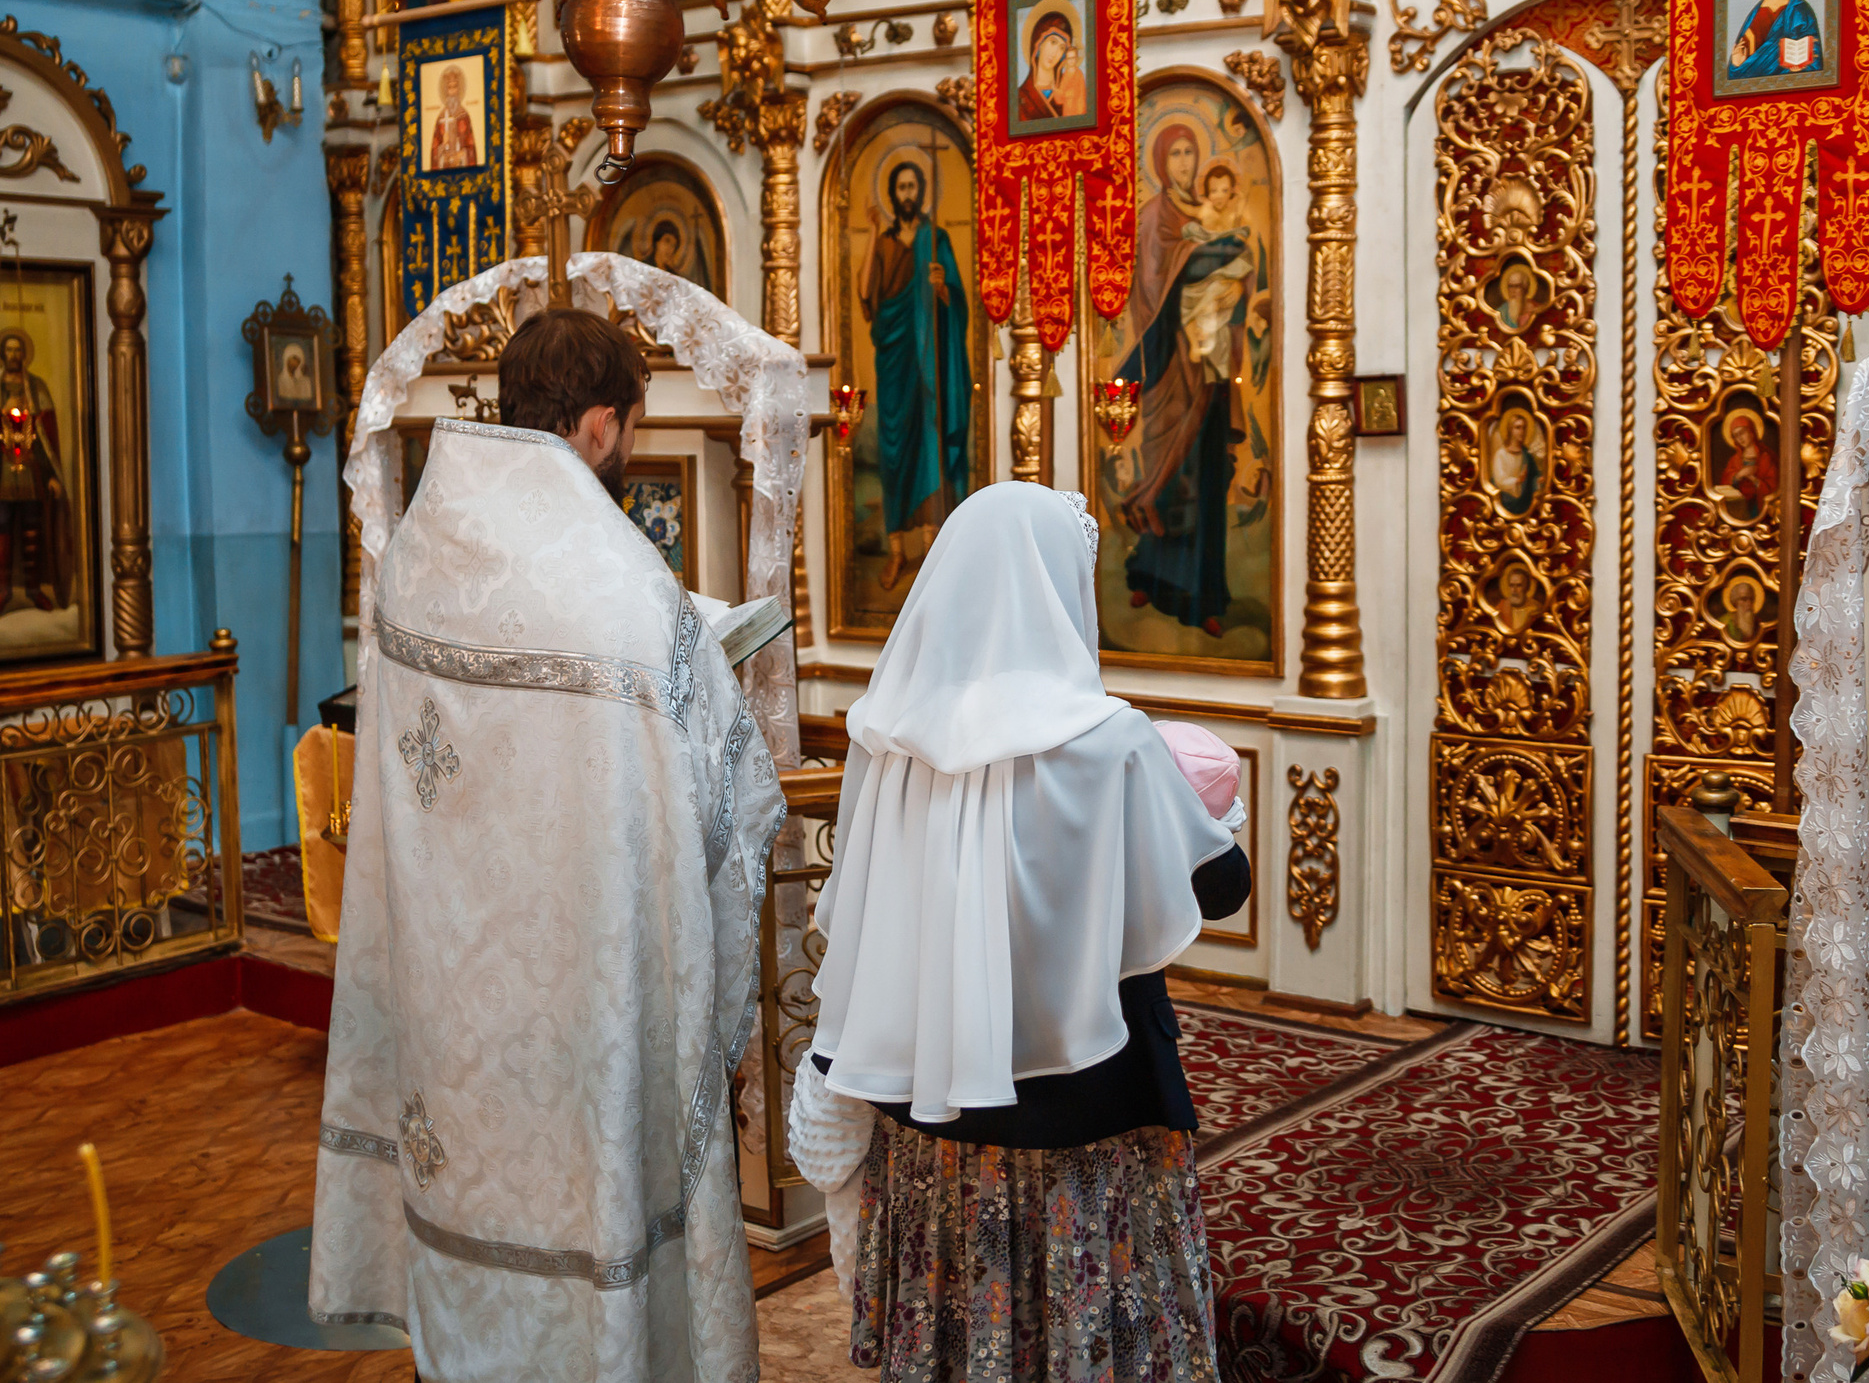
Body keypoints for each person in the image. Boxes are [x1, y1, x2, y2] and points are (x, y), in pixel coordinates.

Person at [310, 304, 784, 1383]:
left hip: (454, 1012)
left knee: (470, 1208)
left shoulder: (415, 559)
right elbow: (729, 799)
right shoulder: (626, 590)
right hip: (581, 1008)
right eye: (630, 428)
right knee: (589, 1197)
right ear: (601, 424)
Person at [794, 482, 1247, 1383]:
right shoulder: (1114, 742)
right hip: (1091, 1110)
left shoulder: (887, 740)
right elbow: (1220, 886)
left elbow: (860, 902)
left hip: (932, 1109)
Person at [1119, 126, 1268, 637]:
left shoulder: (1208, 215)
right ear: (1161, 162)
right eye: (1175, 154)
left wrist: (1227, 273)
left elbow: (1242, 275)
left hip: (1209, 366)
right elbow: (1149, 288)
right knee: (1164, 467)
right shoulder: (1153, 217)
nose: (1183, 162)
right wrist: (1206, 257)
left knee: (1203, 477)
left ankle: (1204, 598)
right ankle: (1150, 576)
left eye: (1190, 152)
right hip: (1168, 365)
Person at [857, 160, 971, 591]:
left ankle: (930, 549)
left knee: (929, 445)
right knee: (894, 451)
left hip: (928, 363)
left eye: (912, 186)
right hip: (894, 361)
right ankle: (897, 552)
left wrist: (942, 288)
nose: (906, 193)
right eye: (900, 187)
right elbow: (866, 293)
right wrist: (872, 232)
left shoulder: (936, 239)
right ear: (892, 194)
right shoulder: (885, 242)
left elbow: (957, 304)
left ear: (920, 192)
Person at [0, 331, 73, 620]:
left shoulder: (37, 387)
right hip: (1, 472)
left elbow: (46, 438)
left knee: (32, 528)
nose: (13, 355)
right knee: (1, 530)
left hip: (31, 473)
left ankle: (34, 590)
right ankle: (3, 592)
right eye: (9, 350)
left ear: (24, 354)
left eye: (18, 350)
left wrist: (51, 476)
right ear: (2, 354)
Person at [1016, 10, 1088, 123]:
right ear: (1039, 44)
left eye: (1062, 48)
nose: (1055, 53)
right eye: (1053, 42)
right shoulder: (1021, 96)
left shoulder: (1070, 85)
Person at [1715, 408, 1777, 521]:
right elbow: (1724, 482)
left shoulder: (1765, 457)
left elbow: (1773, 486)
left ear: (1751, 431)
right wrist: (1739, 475)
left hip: (1759, 507)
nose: (1740, 438)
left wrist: (1753, 479)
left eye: (1742, 432)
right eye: (1735, 435)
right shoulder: (1735, 459)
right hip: (1738, 506)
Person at [1487, 407, 1541, 516]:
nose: (1522, 432)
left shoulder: (1527, 455)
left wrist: (1539, 480)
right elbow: (1499, 481)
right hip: (1505, 501)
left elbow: (1534, 476)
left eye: (1524, 428)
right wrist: (1517, 481)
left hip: (1526, 503)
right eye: (1518, 428)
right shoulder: (1501, 454)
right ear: (1510, 430)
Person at [427, 63, 480, 170]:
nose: (452, 91)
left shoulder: (464, 115)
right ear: (445, 90)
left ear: (458, 89)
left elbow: (471, 147)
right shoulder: (441, 118)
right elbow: (434, 151)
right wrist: (443, 146)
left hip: (461, 167)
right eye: (449, 87)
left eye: (455, 87)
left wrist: (462, 154)